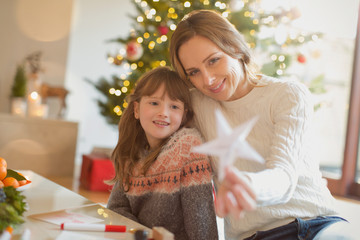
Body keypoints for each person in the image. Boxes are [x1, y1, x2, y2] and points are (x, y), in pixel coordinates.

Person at [169, 9, 349, 240]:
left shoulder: (287, 95)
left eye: (214, 60)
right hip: (251, 236)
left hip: (314, 224)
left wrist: (248, 185)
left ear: (234, 48)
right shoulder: (196, 104)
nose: (208, 80)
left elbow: (284, 176)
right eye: (194, 72)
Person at [107, 66, 218, 240]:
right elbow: (116, 209)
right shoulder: (133, 151)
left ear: (184, 114)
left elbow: (203, 229)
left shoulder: (189, 149)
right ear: (136, 109)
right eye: (154, 103)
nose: (163, 113)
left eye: (174, 106)